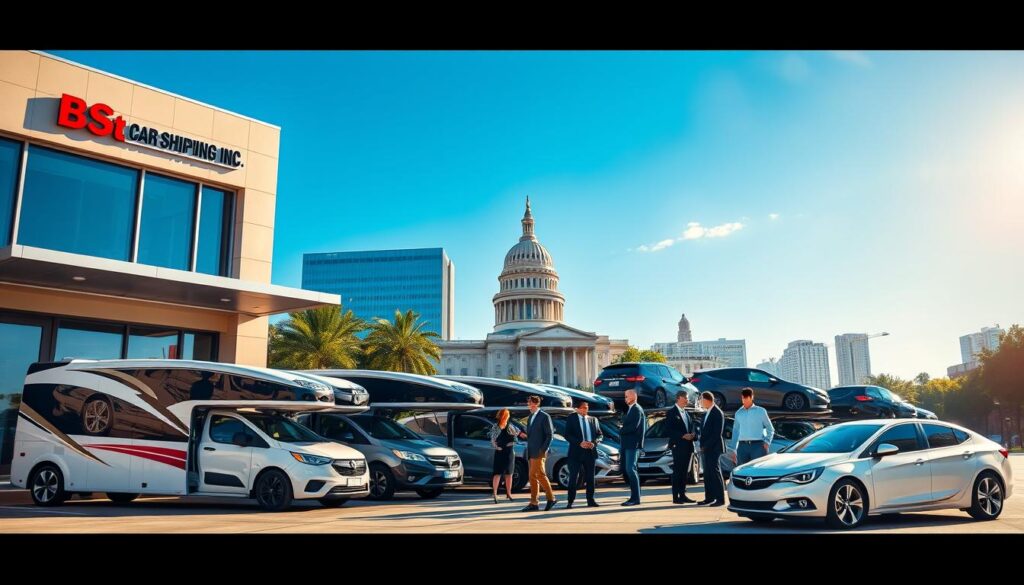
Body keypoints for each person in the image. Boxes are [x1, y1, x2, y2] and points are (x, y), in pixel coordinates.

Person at [518, 395, 557, 511]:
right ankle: (535, 503)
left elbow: (550, 435)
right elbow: (532, 435)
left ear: (536, 404)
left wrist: (543, 450)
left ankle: (548, 499)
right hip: (531, 451)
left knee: (537, 475)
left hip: (539, 452)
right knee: (535, 477)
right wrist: (524, 435)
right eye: (528, 403)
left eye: (529, 403)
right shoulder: (530, 417)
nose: (528, 405)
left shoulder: (544, 416)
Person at [563, 400, 603, 508]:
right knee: (573, 477)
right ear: (578, 409)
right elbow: (567, 435)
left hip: (590, 452)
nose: (586, 409)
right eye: (584, 407)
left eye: (587, 407)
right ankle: (570, 501)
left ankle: (591, 500)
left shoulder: (593, 420)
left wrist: (594, 443)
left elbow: (600, 435)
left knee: (590, 478)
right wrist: (579, 443)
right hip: (575, 453)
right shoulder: (572, 418)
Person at [730, 388, 775, 467]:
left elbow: (770, 428)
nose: (744, 400)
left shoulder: (761, 411)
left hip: (758, 446)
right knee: (742, 470)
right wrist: (733, 449)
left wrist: (767, 442)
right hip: (742, 447)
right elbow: (735, 431)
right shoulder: (738, 413)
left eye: (746, 398)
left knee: (758, 470)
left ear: (751, 397)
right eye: (743, 398)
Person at [665, 391, 696, 504]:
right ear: (679, 398)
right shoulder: (671, 412)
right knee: (677, 472)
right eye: (686, 398)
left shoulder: (687, 413)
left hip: (688, 447)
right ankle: (675, 497)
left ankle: (682, 495)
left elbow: (692, 427)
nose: (687, 400)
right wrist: (682, 435)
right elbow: (669, 430)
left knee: (684, 473)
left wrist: (693, 434)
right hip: (678, 447)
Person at [697, 391, 725, 507]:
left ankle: (720, 498)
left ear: (708, 400)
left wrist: (705, 446)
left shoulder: (717, 413)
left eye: (701, 400)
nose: (700, 402)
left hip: (714, 448)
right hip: (706, 448)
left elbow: (716, 434)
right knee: (707, 474)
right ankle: (709, 497)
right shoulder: (707, 412)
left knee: (714, 471)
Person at [619, 389, 646, 506]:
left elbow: (633, 427)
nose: (625, 399)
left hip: (632, 445)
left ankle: (635, 498)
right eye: (625, 397)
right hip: (627, 444)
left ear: (633, 397)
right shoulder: (631, 409)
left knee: (631, 469)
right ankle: (635, 496)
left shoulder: (636, 409)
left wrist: (620, 430)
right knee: (628, 470)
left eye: (627, 396)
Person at [488, 408, 520, 504]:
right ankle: (495, 493)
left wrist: (512, 442)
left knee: (509, 474)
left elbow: (516, 436)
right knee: (497, 473)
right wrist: (496, 447)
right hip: (500, 451)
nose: (508, 416)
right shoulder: (496, 426)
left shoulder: (510, 426)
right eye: (507, 415)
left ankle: (509, 493)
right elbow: (492, 439)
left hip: (509, 452)